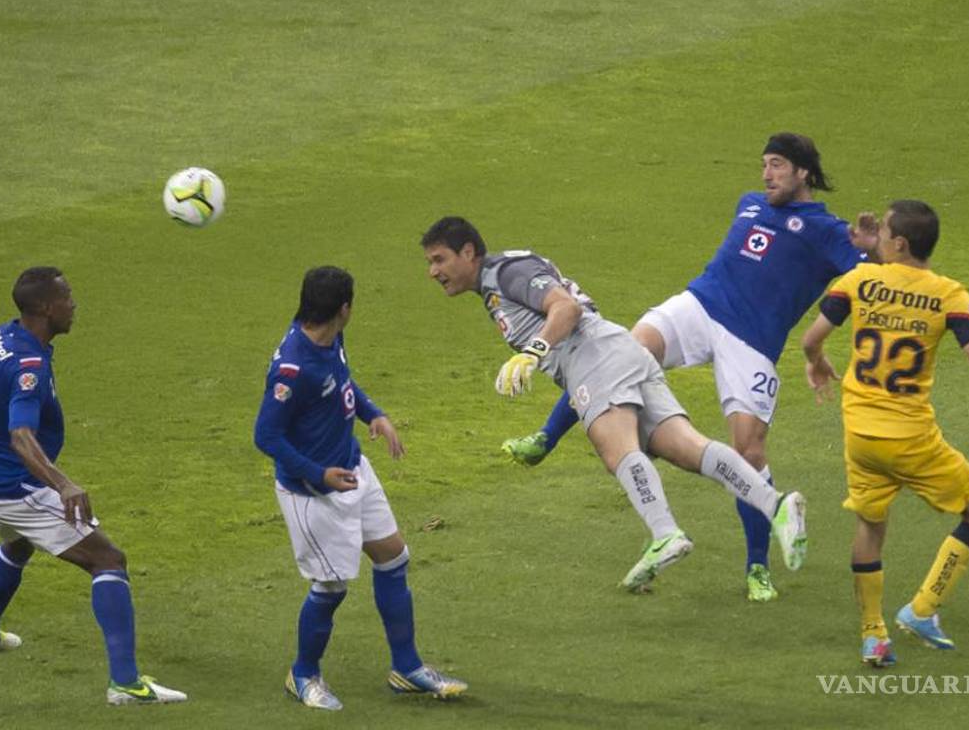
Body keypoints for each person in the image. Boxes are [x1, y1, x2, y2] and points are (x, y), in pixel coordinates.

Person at [504, 132, 878, 602]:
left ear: (804, 172)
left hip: (752, 340)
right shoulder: (749, 203)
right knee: (623, 352)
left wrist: (871, 249)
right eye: (764, 164)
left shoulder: (827, 231)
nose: (766, 175)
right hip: (700, 306)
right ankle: (545, 438)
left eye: (778, 165)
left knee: (749, 451)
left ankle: (758, 567)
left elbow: (877, 277)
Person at [421, 217, 808, 594]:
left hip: (591, 355)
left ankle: (665, 533)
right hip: (617, 350)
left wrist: (533, 352)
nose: (433, 272)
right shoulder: (498, 279)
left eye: (439, 259)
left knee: (617, 450)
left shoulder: (507, 272)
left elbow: (565, 308)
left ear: (468, 251)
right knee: (688, 447)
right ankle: (776, 505)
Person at [801, 200, 969, 667]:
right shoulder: (950, 295)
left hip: (861, 436)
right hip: (912, 441)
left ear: (898, 244)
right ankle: (923, 608)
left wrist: (817, 363)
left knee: (871, 524)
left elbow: (811, 339)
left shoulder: (856, 280)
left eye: (884, 230)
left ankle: (873, 634)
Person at [0, 267, 186, 705]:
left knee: (19, 545)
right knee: (108, 559)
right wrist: (63, 484)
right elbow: (21, 437)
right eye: (67, 296)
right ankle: (126, 684)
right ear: (44, 307)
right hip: (17, 489)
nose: (74, 304)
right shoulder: (29, 365)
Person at [254, 266, 467, 711]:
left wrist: (374, 414)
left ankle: (407, 668)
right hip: (313, 492)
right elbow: (266, 437)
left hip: (353, 470)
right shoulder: (292, 369)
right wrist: (318, 473)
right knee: (330, 589)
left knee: (393, 557)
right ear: (345, 309)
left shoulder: (329, 337)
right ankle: (303, 674)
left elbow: (343, 385)